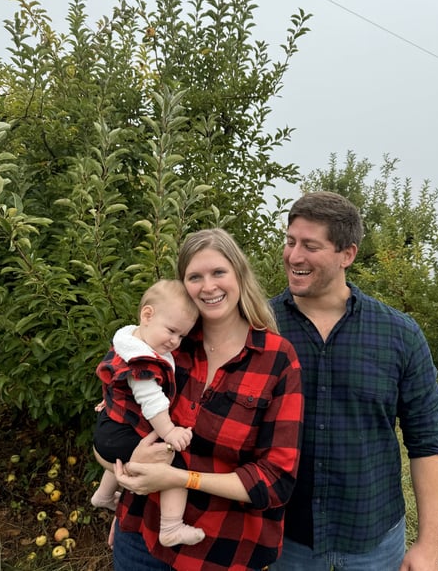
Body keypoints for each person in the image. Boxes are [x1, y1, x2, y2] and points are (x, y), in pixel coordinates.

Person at [102, 228, 304, 571]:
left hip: (222, 550)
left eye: (218, 273)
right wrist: (126, 468)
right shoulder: (166, 346)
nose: (208, 286)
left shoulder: (276, 358)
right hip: (140, 535)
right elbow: (111, 426)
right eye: (195, 276)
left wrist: (181, 479)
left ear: (239, 274)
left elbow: (275, 479)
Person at [269, 191, 438, 571]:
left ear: (346, 255)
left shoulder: (399, 334)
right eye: (290, 241)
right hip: (285, 537)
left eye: (310, 246)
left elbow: (427, 441)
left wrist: (429, 544)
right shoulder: (260, 327)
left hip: (374, 536)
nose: (294, 256)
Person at [92, 279, 205, 547]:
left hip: (110, 425)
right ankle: (171, 527)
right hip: (116, 431)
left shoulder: (129, 341)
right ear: (147, 315)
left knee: (128, 449)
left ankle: (104, 495)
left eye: (181, 336)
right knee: (174, 464)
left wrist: (107, 402)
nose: (175, 342)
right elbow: (152, 402)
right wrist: (170, 432)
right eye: (171, 331)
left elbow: (113, 378)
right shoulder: (144, 362)